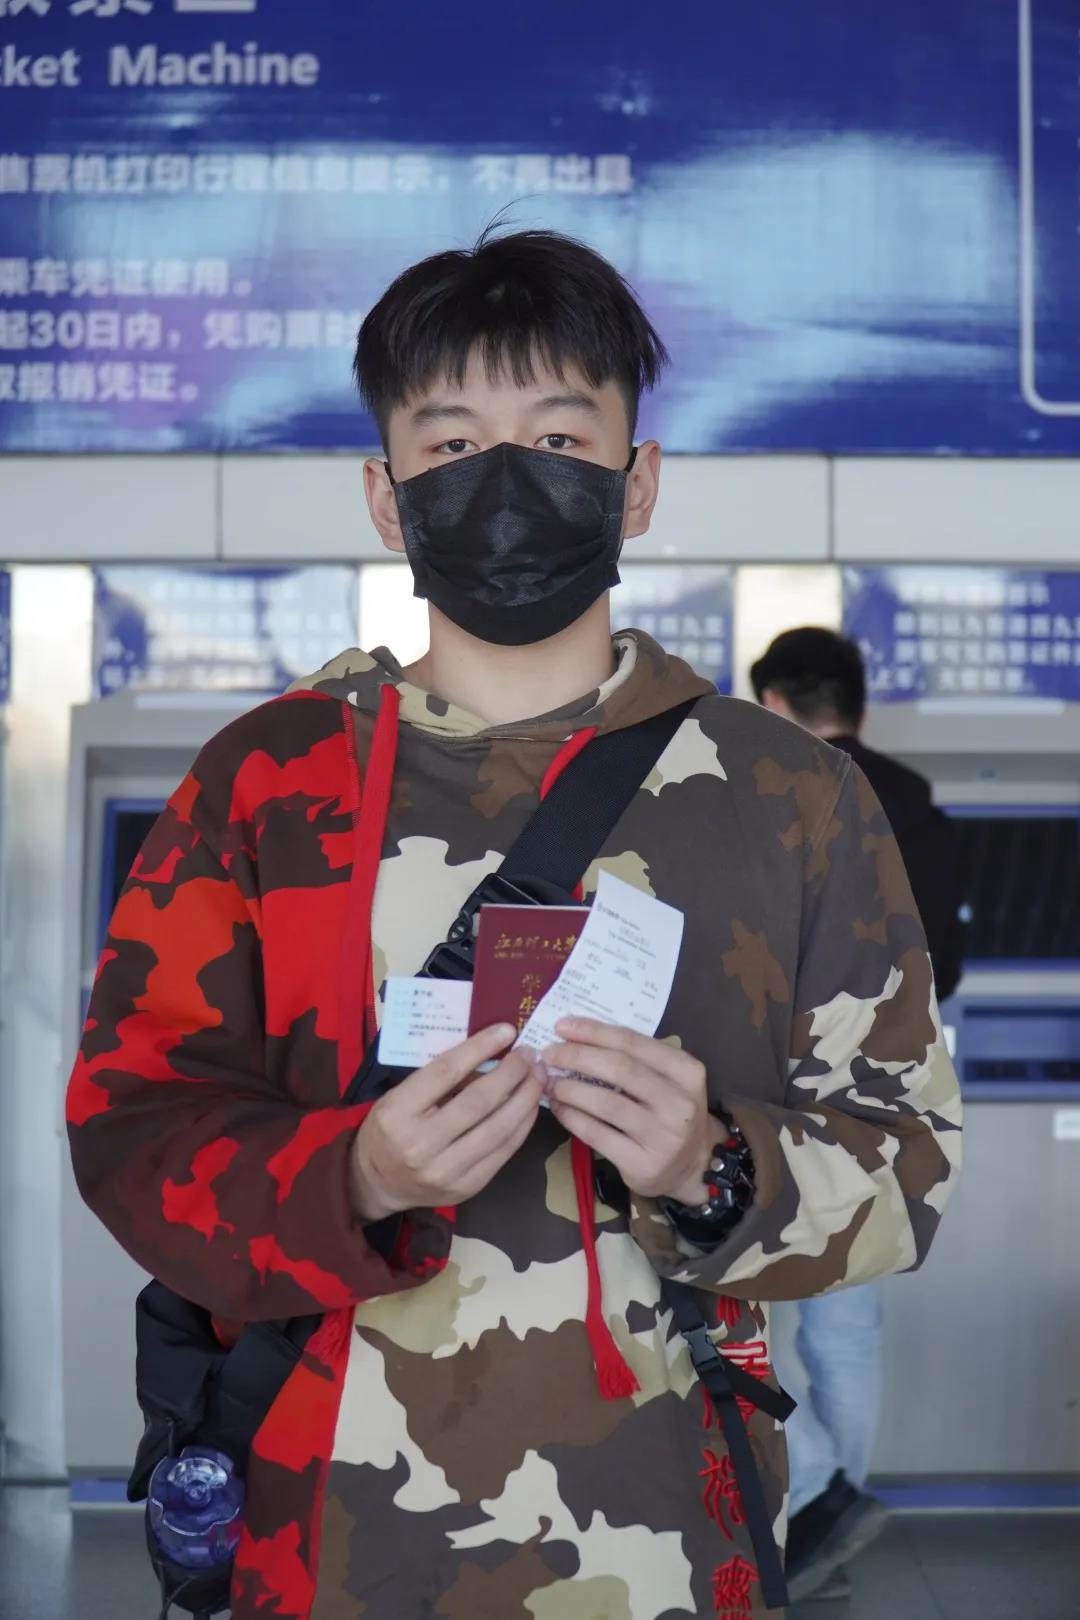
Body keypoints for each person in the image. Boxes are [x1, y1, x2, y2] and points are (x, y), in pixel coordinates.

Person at [68, 231, 961, 1620]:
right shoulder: (268, 780)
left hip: (667, 1541)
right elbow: (132, 1128)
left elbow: (909, 1162)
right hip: (326, 1538)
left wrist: (713, 1163)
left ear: (637, 480)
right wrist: (353, 1174)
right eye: (450, 444)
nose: (502, 479)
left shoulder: (790, 796)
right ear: (386, 497)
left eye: (556, 436)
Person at [751, 626, 965, 1603]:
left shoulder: (772, 792)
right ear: (857, 701)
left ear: (776, 704)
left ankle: (815, 1500)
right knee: (849, 1312)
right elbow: (948, 963)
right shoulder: (915, 799)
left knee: (736, 1300)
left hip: (780, 1082)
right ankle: (832, 1522)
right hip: (895, 1091)